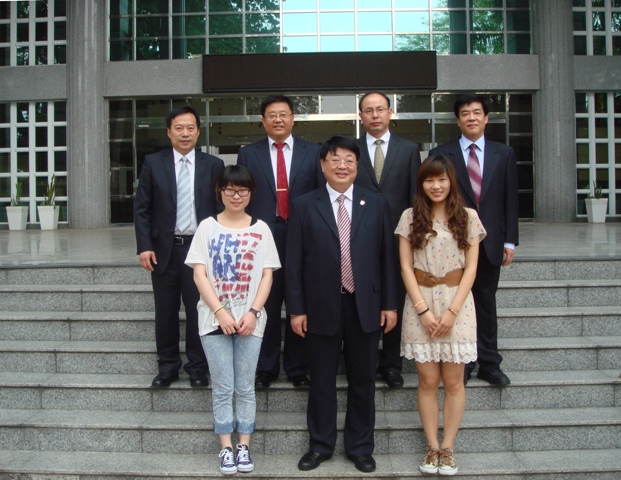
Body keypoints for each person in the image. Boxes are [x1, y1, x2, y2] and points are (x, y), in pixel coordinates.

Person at [286, 136, 399, 474]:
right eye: (335, 159)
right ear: (322, 165)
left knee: (363, 380)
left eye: (349, 160)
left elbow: (387, 259)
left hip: (366, 305)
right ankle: (320, 445)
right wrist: (296, 309)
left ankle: (360, 447)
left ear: (357, 166)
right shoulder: (304, 205)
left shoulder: (376, 203)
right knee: (321, 380)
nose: (342, 166)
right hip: (320, 305)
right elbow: (294, 262)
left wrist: (390, 304)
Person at [185, 165, 280, 475]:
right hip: (214, 320)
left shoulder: (262, 229)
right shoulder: (207, 227)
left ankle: (244, 445)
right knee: (223, 387)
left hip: (251, 321)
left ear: (251, 193)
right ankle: (226, 447)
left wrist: (253, 313)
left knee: (245, 387)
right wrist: (220, 312)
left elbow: (267, 276)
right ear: (220, 192)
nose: (236, 196)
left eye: (242, 190)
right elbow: (199, 275)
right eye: (230, 190)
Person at [395, 154, 486, 476]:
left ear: (451, 182)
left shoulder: (468, 217)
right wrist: (422, 309)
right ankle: (431, 446)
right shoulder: (409, 217)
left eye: (442, 179)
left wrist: (451, 311)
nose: (436, 185)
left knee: (454, 381)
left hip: (457, 303)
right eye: (430, 180)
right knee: (428, 380)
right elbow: (405, 266)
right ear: (422, 184)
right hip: (419, 302)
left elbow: (471, 268)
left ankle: (448, 448)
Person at [429, 94, 519, 386]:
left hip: (490, 243)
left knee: (485, 302)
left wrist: (509, 241)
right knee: (457, 301)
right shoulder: (442, 153)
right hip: (454, 243)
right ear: (458, 120)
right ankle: (464, 362)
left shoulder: (503, 153)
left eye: (477, 112)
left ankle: (490, 363)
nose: (471, 117)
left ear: (486, 117)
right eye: (465, 113)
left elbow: (510, 198)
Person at [237, 94, 323, 388]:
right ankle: (266, 368)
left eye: (283, 114)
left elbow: (320, 196)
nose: (278, 119)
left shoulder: (313, 152)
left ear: (292, 119)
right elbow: (243, 196)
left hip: (302, 236)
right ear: (263, 121)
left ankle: (298, 368)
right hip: (262, 236)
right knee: (266, 302)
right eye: (271, 115)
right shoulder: (248, 154)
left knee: (299, 299)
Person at [134, 105, 224, 388]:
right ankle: (167, 367)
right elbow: (142, 208)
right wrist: (144, 246)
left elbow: (221, 208)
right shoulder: (153, 162)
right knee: (166, 311)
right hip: (165, 250)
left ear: (198, 132)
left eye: (190, 128)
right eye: (179, 128)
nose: (185, 133)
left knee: (200, 309)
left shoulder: (213, 165)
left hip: (200, 251)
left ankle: (197, 368)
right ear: (169, 132)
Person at [355, 91, 422, 388]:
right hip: (358, 238)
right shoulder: (352, 150)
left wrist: (415, 236)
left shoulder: (408, 150)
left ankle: (391, 363)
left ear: (390, 112)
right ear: (360, 116)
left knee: (395, 299)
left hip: (398, 238)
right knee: (362, 300)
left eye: (380, 109)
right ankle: (363, 360)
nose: (375, 115)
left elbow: (415, 196)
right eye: (368, 110)